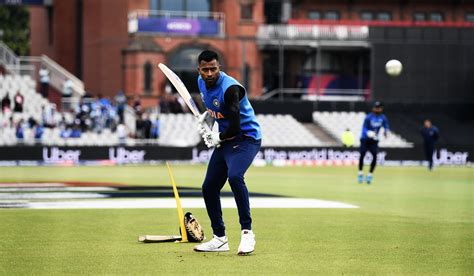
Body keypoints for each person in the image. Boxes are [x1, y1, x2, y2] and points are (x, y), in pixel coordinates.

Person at [193, 50, 262, 255]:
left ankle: (247, 233)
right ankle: (220, 238)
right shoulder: (200, 82)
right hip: (227, 140)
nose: (210, 73)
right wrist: (209, 120)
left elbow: (235, 127)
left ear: (219, 68)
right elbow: (217, 111)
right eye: (205, 69)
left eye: (213, 68)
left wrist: (217, 137)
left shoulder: (231, 89)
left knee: (234, 176)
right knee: (209, 187)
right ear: (199, 70)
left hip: (246, 138)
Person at [357, 101, 389, 184]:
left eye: (379, 108)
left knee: (375, 156)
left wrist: (386, 132)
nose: (377, 109)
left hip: (374, 140)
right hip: (365, 139)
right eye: (376, 107)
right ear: (373, 108)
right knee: (362, 155)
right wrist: (368, 133)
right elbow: (364, 127)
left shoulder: (383, 117)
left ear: (381, 108)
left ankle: (369, 175)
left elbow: (386, 126)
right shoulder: (369, 117)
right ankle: (360, 173)